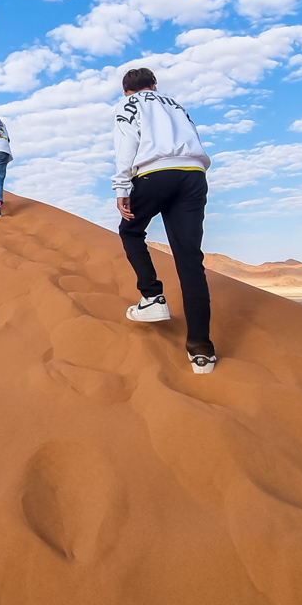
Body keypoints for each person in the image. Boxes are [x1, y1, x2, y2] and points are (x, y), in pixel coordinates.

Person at [112, 67, 216, 375]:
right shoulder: (175, 104)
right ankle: (201, 350)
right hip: (194, 175)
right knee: (189, 260)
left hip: (157, 173)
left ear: (126, 91)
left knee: (130, 230)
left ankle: (152, 296)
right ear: (154, 85)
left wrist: (121, 186)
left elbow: (126, 142)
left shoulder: (128, 105)